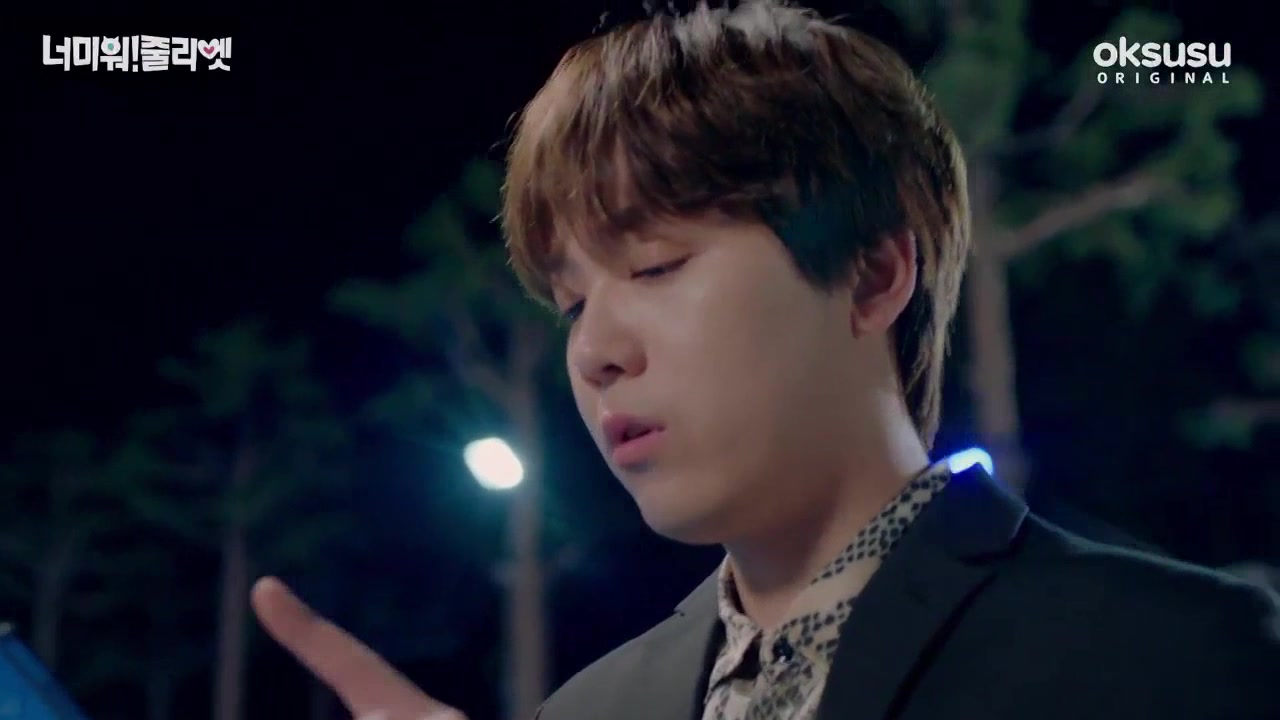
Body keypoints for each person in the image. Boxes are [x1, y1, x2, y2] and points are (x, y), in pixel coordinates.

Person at [250, 1, 1280, 718]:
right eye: (571, 305)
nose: (596, 352)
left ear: (871, 276)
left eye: (655, 266)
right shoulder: (590, 709)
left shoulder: (1167, 656)